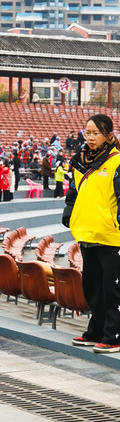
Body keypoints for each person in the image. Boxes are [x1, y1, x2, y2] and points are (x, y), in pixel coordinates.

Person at [63, 114, 120, 354]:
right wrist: (69, 214)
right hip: (87, 234)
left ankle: (113, 335)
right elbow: (73, 193)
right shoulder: (80, 161)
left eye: (96, 133)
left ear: (109, 135)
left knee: (112, 289)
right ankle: (95, 332)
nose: (91, 137)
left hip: (110, 236)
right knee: (93, 288)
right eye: (87, 132)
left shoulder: (117, 162)